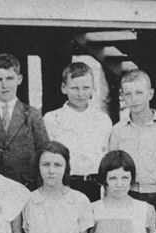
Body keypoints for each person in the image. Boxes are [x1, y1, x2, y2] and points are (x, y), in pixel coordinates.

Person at [0, 53, 50, 189]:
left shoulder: (32, 115)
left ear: (19, 79)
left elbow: (45, 156)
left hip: (26, 188)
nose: (4, 85)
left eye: (10, 78)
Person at [108, 69, 156, 208]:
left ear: (150, 94)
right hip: (129, 194)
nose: (134, 99)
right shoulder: (118, 130)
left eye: (139, 93)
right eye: (128, 94)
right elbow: (112, 167)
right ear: (122, 96)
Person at [22, 141, 94, 233]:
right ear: (38, 167)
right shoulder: (29, 201)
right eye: (46, 165)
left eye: (57, 165)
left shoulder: (79, 200)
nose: (51, 171)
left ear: (66, 167)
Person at [43, 61, 112, 202]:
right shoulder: (52, 119)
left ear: (93, 88)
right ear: (64, 88)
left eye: (86, 87)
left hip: (95, 187)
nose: (80, 94)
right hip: (63, 185)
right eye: (74, 88)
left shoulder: (103, 120)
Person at [90, 150, 155, 233]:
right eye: (113, 178)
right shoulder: (93, 210)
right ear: (104, 179)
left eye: (125, 178)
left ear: (132, 178)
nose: (119, 184)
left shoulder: (145, 209)